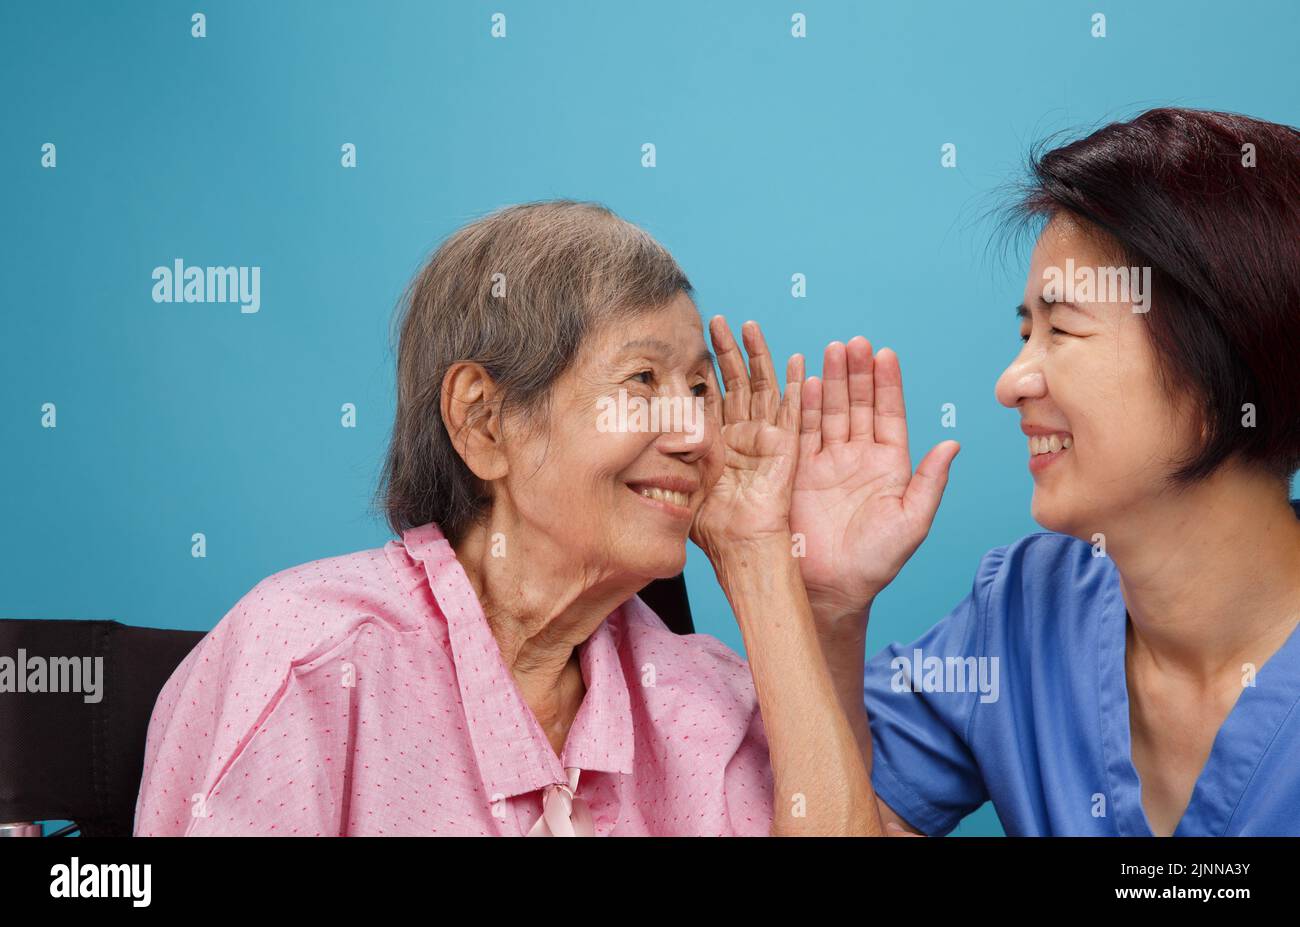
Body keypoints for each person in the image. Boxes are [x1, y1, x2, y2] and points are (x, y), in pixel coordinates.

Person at [132, 200, 880, 836]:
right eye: (643, 380)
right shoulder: (307, 659)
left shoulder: (706, 699)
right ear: (485, 421)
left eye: (699, 388)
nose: (693, 432)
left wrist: (757, 554)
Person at [797, 108, 1300, 836]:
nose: (1011, 381)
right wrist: (831, 608)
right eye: (1026, 332)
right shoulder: (1026, 611)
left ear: (1221, 370)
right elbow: (840, 815)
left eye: (1061, 331)